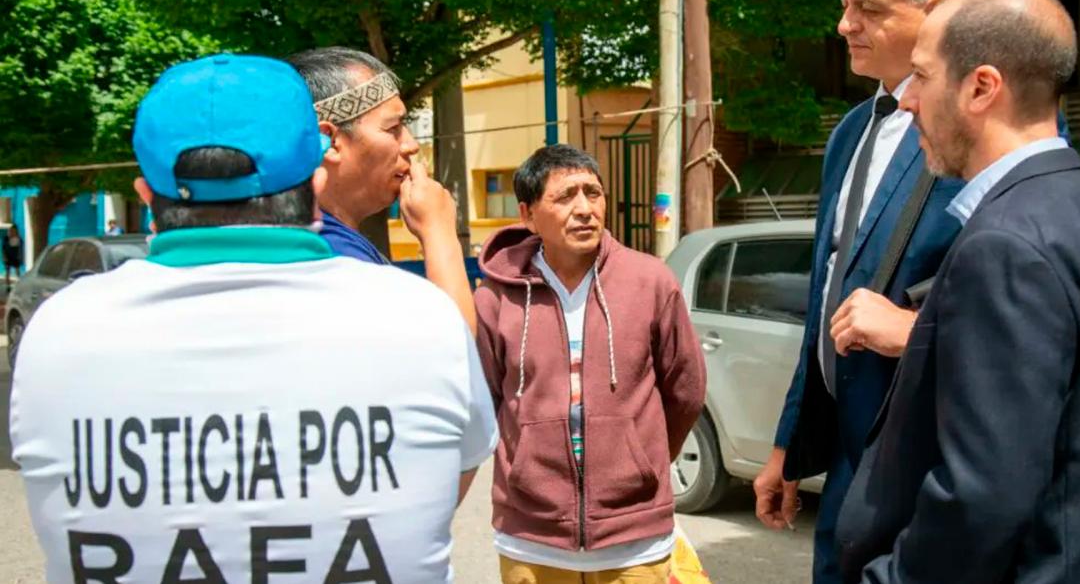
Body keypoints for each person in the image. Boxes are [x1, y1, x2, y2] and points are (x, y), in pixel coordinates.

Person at [9, 54, 497, 582]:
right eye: (395, 126)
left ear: (147, 196)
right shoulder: (421, 317)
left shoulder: (56, 334)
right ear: (315, 179)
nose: (409, 145)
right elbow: (442, 485)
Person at [836, 0, 1080, 583]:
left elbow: (982, 494)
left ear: (981, 87)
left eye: (923, 76)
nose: (908, 101)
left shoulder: (1005, 245)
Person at [751, 0, 968, 584]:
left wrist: (918, 329)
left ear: (933, 13)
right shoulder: (851, 131)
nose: (845, 25)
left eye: (868, 8)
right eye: (845, 5)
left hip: (929, 458)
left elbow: (1021, 282)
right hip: (847, 457)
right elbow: (827, 294)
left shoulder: (983, 121)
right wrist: (788, 446)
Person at [474, 145, 706, 584]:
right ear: (527, 214)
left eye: (593, 193)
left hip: (634, 539)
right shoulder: (496, 297)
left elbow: (685, 390)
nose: (584, 209)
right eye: (566, 197)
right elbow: (485, 401)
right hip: (530, 536)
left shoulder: (650, 281)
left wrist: (638, 458)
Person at [287, 46, 475, 329]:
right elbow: (456, 354)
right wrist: (439, 232)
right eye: (393, 128)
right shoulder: (331, 256)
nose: (410, 145)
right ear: (330, 140)